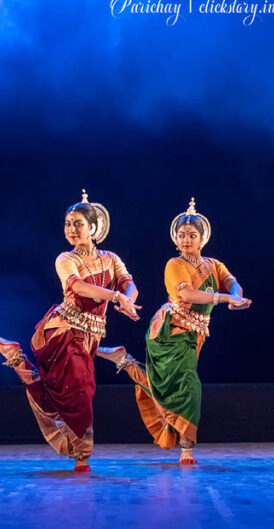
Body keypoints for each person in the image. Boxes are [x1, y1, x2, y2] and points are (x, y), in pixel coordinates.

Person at [0, 190, 140, 471]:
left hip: (91, 336)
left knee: (64, 394)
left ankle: (19, 361)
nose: (71, 229)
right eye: (67, 223)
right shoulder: (65, 259)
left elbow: (128, 283)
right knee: (79, 391)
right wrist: (116, 297)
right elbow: (78, 287)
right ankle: (82, 455)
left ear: (93, 227)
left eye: (77, 223)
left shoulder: (111, 258)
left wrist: (128, 297)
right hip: (64, 331)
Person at [95, 198, 251, 464]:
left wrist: (236, 296)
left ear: (202, 239)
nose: (186, 240)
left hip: (194, 335)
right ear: (176, 240)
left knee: (174, 387)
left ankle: (124, 361)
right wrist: (225, 300)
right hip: (168, 333)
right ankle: (187, 449)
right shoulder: (174, 264)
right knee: (183, 387)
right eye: (181, 236)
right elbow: (188, 294)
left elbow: (231, 282)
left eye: (192, 235)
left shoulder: (214, 264)